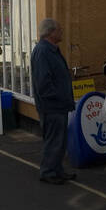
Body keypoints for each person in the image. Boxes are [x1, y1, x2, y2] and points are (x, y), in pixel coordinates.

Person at [31, 17, 76, 184]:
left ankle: (57, 170)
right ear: (50, 32)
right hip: (52, 106)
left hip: (58, 105)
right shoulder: (43, 51)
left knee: (59, 140)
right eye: (59, 29)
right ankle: (49, 172)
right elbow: (43, 83)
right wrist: (58, 96)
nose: (62, 31)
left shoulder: (50, 50)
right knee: (54, 140)